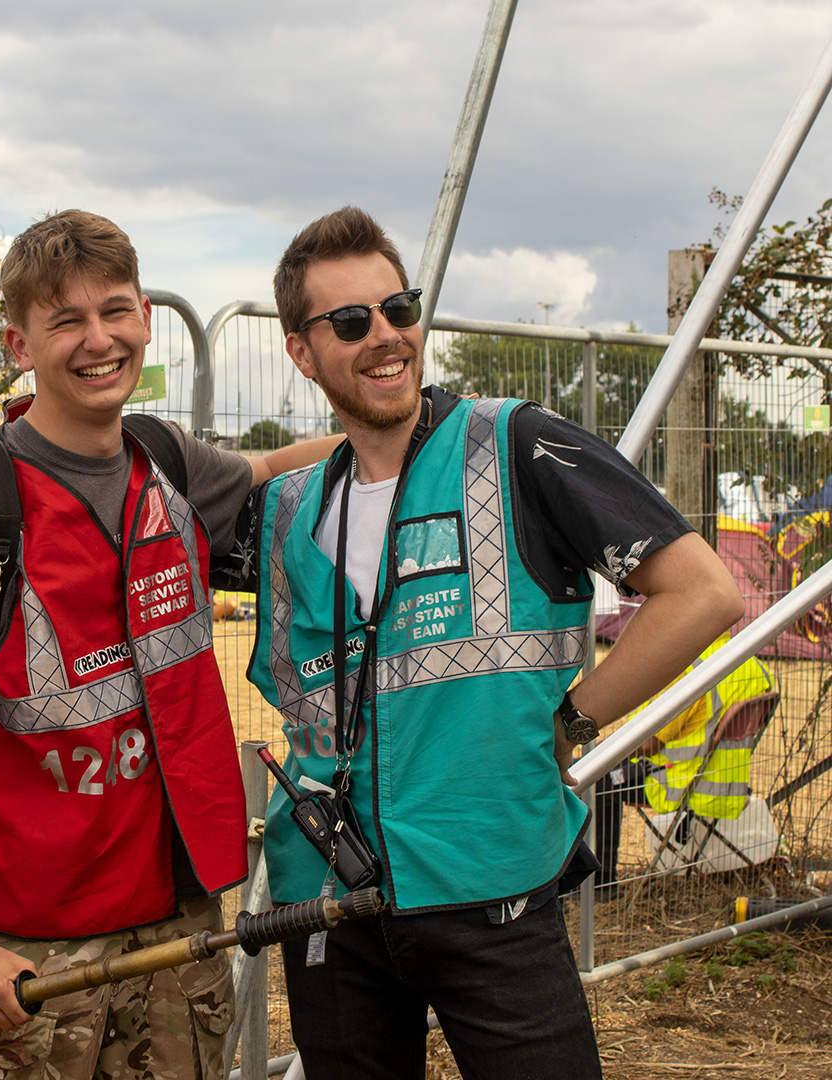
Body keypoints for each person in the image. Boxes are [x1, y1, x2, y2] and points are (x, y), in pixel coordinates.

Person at [239, 206, 745, 1080]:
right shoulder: (289, 510)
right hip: (328, 903)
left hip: (493, 890)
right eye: (352, 322)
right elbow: (141, 479)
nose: (386, 336)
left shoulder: (514, 445)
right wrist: (261, 465)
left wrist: (575, 720)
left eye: (400, 309)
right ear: (300, 350)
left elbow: (701, 593)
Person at [0, 209, 337, 1080]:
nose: (97, 339)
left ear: (146, 319)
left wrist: (402, 433)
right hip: (29, 954)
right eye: (65, 320)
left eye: (114, 311)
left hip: (176, 926)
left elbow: (271, 472)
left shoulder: (167, 463)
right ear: (18, 341)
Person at [594, 632, 775, 889]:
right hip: (729, 784)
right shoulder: (754, 666)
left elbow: (649, 743)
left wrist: (602, 751)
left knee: (596, 780)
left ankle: (599, 885)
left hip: (677, 784)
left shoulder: (692, 670)